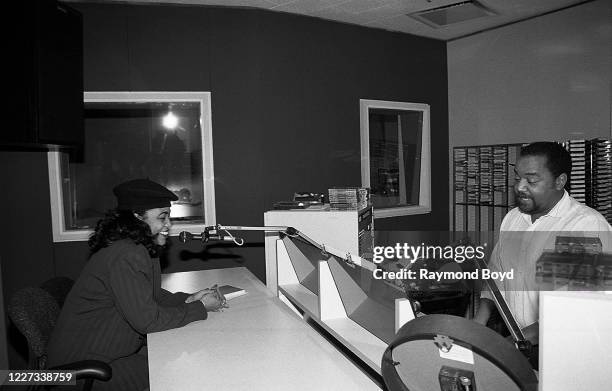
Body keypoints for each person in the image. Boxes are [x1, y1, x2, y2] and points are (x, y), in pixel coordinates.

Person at [48, 179, 225, 391]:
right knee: (176, 369)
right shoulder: (126, 254)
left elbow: (151, 295)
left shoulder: (138, 247)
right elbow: (148, 321)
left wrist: (189, 298)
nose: (169, 225)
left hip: (102, 355)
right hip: (78, 373)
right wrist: (200, 307)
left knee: (174, 355)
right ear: (136, 217)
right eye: (162, 217)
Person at [473, 142, 612, 344]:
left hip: (565, 346)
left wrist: (511, 345)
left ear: (559, 181)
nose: (520, 187)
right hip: (521, 341)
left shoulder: (583, 227)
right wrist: (480, 319)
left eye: (531, 180)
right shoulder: (514, 218)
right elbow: (497, 276)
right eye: (517, 178)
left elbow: (572, 311)